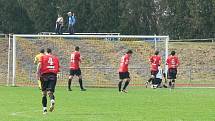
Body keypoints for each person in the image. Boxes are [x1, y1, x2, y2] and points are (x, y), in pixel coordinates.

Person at [36, 48, 60, 114]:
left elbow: (39, 64)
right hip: (53, 76)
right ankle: (52, 100)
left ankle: (44, 110)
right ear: (51, 52)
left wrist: (37, 73)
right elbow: (58, 68)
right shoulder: (56, 58)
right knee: (50, 92)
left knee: (44, 93)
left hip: (44, 76)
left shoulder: (43, 57)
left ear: (46, 52)